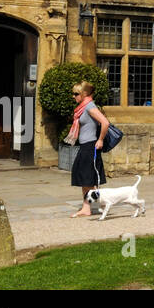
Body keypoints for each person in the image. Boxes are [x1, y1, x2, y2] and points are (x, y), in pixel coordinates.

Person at [67, 81, 109, 218]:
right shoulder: (83, 107)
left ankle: (104, 203)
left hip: (90, 146)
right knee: (86, 179)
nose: (73, 96)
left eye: (76, 94)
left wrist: (100, 139)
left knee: (89, 179)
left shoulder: (90, 107)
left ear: (84, 94)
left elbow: (105, 122)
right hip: (85, 146)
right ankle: (87, 208)